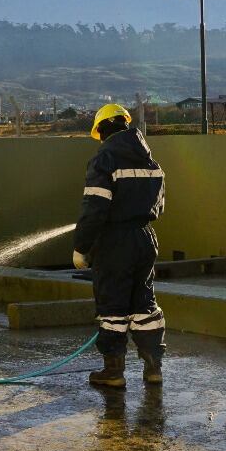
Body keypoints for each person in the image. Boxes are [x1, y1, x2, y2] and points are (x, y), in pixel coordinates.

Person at [72, 102, 165, 388]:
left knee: (113, 306)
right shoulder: (151, 162)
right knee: (144, 305)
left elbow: (95, 208)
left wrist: (81, 247)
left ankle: (113, 373)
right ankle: (153, 369)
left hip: (114, 243)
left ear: (100, 129)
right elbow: (159, 207)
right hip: (145, 238)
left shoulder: (104, 160)